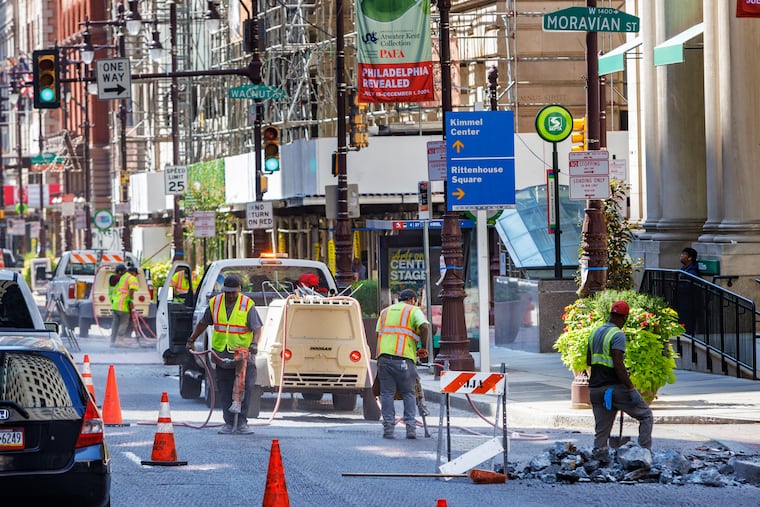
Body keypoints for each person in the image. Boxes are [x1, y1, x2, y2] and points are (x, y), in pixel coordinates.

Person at [186, 275, 262, 435]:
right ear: (223, 290)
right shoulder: (215, 303)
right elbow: (203, 323)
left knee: (246, 388)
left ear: (239, 290)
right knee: (225, 388)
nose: (231, 295)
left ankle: (242, 422)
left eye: (234, 292)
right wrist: (192, 339)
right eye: (228, 292)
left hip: (242, 356)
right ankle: (228, 422)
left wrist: (254, 344)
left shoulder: (247, 304)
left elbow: (256, 327)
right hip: (221, 354)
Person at [587, 300, 653, 455]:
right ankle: (644, 454)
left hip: (596, 389)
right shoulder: (617, 335)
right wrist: (631, 389)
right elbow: (618, 363)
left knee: (602, 431)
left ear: (610, 314)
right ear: (624, 318)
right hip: (614, 389)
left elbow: (589, 361)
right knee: (646, 416)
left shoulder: (594, 333)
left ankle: (599, 459)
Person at [375, 288, 430, 440]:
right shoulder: (413, 310)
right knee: (408, 393)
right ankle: (410, 429)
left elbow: (379, 333)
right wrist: (423, 347)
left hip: (384, 358)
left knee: (386, 393)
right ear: (413, 299)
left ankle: (388, 429)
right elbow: (425, 326)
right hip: (404, 359)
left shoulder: (385, 312)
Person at [111, 265, 138, 346]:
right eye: (136, 274)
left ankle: (112, 341)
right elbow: (131, 291)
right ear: (133, 273)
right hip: (123, 305)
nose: (136, 275)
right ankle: (119, 341)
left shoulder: (122, 277)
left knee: (115, 323)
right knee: (124, 323)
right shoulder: (132, 278)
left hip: (116, 304)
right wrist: (130, 301)